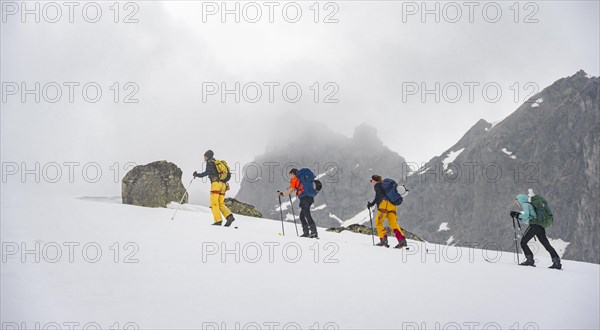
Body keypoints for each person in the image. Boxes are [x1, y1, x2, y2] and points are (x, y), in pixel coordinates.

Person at [511, 194, 561, 269]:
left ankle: (530, 260)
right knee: (547, 245)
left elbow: (526, 216)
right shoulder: (530, 205)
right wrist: (518, 215)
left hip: (534, 226)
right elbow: (528, 219)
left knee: (523, 242)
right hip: (540, 227)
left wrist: (517, 215)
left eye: (517, 201)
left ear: (520, 200)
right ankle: (557, 262)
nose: (517, 203)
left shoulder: (525, 204)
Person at [193, 150, 235, 227]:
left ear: (208, 156)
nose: (204, 158)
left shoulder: (210, 162)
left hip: (216, 184)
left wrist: (197, 175)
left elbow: (206, 173)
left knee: (214, 202)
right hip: (223, 185)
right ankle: (229, 217)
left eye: (205, 156)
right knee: (220, 203)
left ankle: (218, 221)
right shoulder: (217, 163)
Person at [367, 175, 407, 249]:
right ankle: (402, 240)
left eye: (371, 180)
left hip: (385, 205)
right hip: (393, 206)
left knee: (378, 222)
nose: (371, 182)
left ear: (374, 180)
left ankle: (383, 240)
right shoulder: (384, 186)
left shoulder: (378, 185)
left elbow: (378, 196)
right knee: (393, 224)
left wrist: (371, 204)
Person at [279, 168, 318, 238]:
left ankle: (314, 233)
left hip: (304, 198)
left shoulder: (295, 178)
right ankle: (306, 233)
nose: (290, 177)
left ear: (292, 174)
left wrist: (282, 194)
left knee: (307, 215)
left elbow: (290, 190)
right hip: (310, 198)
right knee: (302, 216)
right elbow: (296, 190)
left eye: (290, 175)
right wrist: (294, 191)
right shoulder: (301, 179)